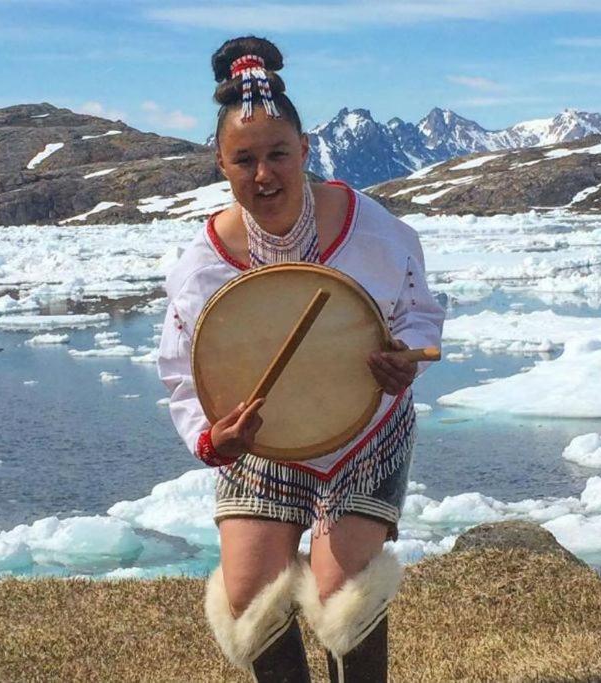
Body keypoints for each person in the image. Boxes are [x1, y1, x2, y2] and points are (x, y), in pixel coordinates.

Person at [157, 36, 445, 682]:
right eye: (245, 160)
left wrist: (409, 356)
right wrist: (212, 438)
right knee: (248, 590)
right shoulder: (201, 269)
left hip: (365, 426)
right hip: (262, 441)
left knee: (343, 583)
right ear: (222, 166)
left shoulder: (370, 229)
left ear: (307, 150)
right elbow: (181, 371)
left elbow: (421, 311)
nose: (264, 175)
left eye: (279, 154)